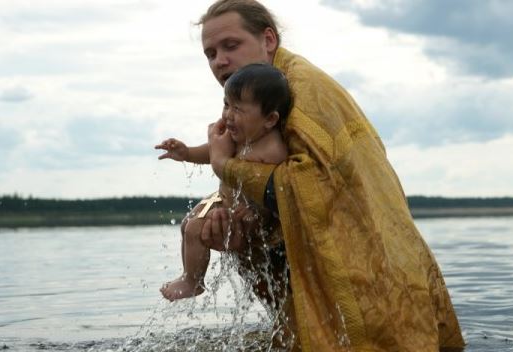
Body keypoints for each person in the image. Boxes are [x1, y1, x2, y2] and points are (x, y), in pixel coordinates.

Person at [182, 0, 467, 351]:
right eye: (210, 53)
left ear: (268, 40)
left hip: (370, 273)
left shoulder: (305, 95)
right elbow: (271, 192)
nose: (219, 61)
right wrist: (227, 218)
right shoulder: (255, 95)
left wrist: (225, 167)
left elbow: (309, 188)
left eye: (231, 45)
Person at [156, 63, 292, 302]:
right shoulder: (234, 136)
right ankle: (190, 274)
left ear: (270, 119)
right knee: (188, 224)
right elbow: (211, 152)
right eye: (226, 104)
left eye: (238, 109)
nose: (228, 115)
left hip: (250, 213)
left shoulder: (272, 149)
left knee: (196, 228)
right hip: (223, 200)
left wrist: (255, 212)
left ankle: (193, 281)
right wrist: (186, 153)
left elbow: (276, 188)